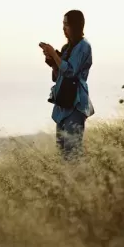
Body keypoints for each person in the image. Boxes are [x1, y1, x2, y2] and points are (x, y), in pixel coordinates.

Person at [39, 10, 94, 161]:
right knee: (62, 153)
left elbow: (70, 71)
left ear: (76, 26)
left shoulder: (84, 47)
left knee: (72, 153)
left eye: (67, 25)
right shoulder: (66, 48)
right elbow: (58, 77)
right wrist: (52, 62)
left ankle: (79, 176)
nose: (64, 28)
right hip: (63, 105)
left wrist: (54, 55)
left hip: (75, 104)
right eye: (63, 24)